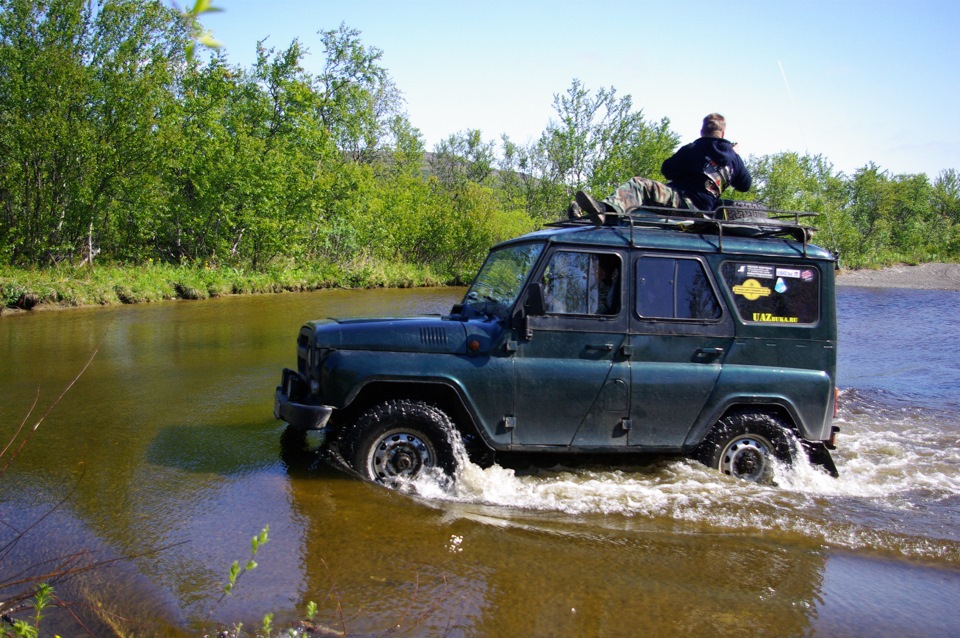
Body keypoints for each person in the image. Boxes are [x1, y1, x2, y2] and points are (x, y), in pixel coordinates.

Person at [574, 113, 752, 223]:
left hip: (685, 203)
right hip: (706, 209)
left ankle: (604, 211)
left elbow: (667, 170)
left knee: (639, 186)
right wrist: (734, 156)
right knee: (643, 205)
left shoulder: (693, 149)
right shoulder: (734, 160)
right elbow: (745, 185)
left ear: (702, 131)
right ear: (723, 133)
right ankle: (605, 215)